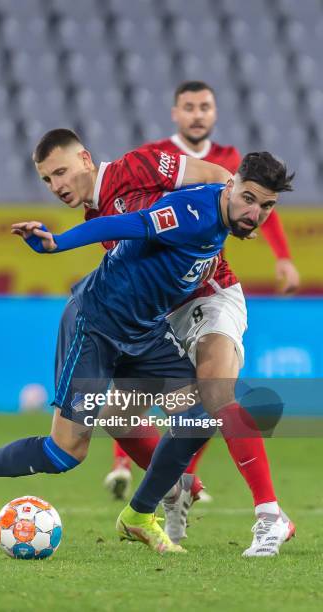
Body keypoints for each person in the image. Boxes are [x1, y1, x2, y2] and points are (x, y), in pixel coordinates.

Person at [0, 148, 294, 556]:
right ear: (231, 186)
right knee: (65, 452)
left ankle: (140, 514)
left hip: (144, 334)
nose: (254, 213)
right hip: (95, 326)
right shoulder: (192, 211)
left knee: (202, 412)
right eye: (248, 199)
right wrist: (58, 243)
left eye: (265, 206)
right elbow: (130, 223)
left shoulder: (224, 216)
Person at [106, 80, 300, 505]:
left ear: (214, 113)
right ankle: (162, 476)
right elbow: (133, 218)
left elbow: (262, 208)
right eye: (189, 107)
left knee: (211, 395)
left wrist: (282, 257)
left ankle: (254, 506)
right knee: (130, 407)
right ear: (176, 113)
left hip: (205, 290)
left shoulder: (232, 162)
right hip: (159, 299)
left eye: (205, 107)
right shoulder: (158, 159)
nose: (197, 114)